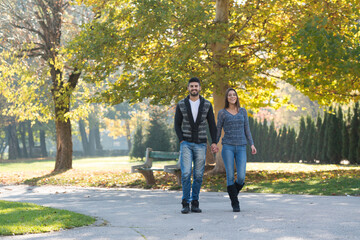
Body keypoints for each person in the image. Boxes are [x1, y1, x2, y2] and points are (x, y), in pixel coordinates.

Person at [174, 77, 218, 214]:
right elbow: (177, 124)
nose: (194, 88)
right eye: (191, 86)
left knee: (198, 175)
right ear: (188, 88)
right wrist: (181, 140)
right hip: (186, 143)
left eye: (196, 86)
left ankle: (195, 202)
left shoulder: (207, 104)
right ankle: (185, 202)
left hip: (201, 144)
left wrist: (214, 141)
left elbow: (212, 125)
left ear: (200, 88)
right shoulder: (181, 104)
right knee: (186, 173)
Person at [216, 88, 257, 212]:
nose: (232, 97)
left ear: (237, 97)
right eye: (229, 95)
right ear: (226, 98)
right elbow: (218, 129)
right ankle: (235, 203)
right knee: (229, 176)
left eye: (234, 95)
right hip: (227, 146)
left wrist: (252, 144)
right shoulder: (222, 113)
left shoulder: (243, 111)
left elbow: (247, 129)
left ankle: (233, 194)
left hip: (241, 147)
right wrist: (214, 142)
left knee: (241, 177)